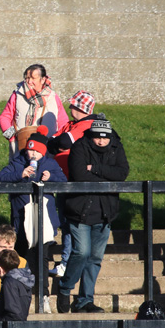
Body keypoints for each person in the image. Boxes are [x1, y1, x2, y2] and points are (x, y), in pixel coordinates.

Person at [57, 119, 129, 314]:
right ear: (91, 136)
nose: (101, 142)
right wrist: (106, 176)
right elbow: (79, 175)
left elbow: (122, 173)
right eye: (97, 138)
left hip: (105, 213)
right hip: (80, 211)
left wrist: (94, 168)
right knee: (81, 252)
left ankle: (84, 301)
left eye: (105, 138)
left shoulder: (116, 147)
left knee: (95, 258)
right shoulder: (79, 147)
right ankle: (65, 287)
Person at [0, 126, 66, 256]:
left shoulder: (50, 164)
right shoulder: (17, 163)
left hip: (44, 217)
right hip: (21, 216)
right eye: (30, 150)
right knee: (22, 254)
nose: (33, 154)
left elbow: (63, 182)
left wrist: (51, 177)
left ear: (43, 152)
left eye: (37, 151)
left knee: (42, 256)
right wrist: (20, 174)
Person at [0, 64, 69, 156]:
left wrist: (59, 142)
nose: (29, 81)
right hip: (21, 148)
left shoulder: (53, 97)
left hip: (47, 150)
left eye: (33, 78)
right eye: (27, 78)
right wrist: (12, 138)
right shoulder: (17, 95)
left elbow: (63, 123)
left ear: (42, 79)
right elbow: (4, 117)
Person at [0, 249, 35, 322]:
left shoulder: (9, 282)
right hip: (20, 325)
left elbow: (13, 313)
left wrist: (0, 322)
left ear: (0, 269)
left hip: (9, 327)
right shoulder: (23, 281)